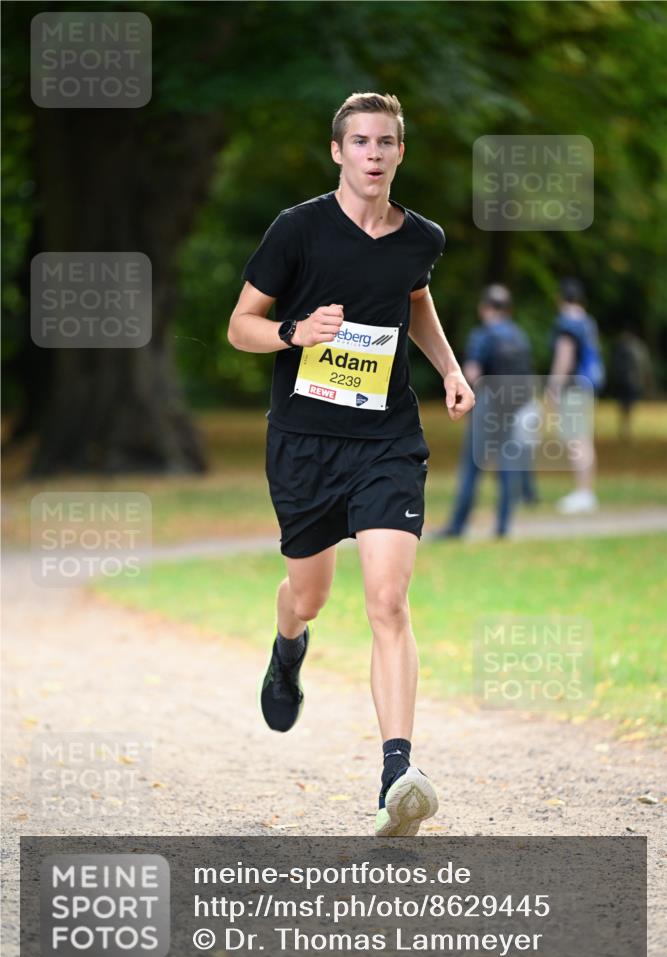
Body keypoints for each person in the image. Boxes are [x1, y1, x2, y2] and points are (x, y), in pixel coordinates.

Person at [227, 92, 474, 836]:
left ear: (400, 153)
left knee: (387, 601)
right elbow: (241, 327)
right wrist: (296, 331)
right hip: (303, 442)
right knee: (308, 596)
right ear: (337, 151)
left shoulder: (419, 237)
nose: (373, 153)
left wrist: (449, 371)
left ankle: (396, 772)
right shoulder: (296, 230)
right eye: (360, 141)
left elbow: (415, 301)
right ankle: (287, 646)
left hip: (386, 441)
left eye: (386, 142)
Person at [432, 284, 534, 539]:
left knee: (472, 465)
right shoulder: (518, 335)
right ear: (508, 308)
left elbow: (472, 372)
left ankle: (457, 526)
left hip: (488, 402)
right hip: (513, 403)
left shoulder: (483, 335)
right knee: (508, 463)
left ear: (484, 307)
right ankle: (503, 525)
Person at [548, 278, 603, 514]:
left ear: (561, 298)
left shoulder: (566, 322)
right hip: (588, 385)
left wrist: (553, 386)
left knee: (576, 439)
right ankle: (586, 491)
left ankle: (584, 493)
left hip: (573, 388)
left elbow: (565, 356)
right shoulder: (587, 321)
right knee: (584, 438)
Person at [610, 328, 652, 440]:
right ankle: (627, 429)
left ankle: (624, 429)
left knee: (624, 406)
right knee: (629, 406)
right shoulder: (640, 348)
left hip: (624, 382)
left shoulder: (621, 349)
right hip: (634, 382)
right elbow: (645, 366)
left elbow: (615, 366)